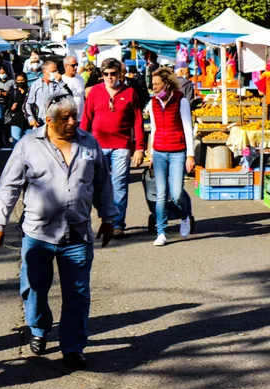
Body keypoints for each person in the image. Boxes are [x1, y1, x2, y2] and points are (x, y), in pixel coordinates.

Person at [0, 94, 117, 370]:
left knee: (78, 294)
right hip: (38, 234)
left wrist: (109, 217)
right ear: (48, 120)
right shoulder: (28, 145)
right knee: (34, 288)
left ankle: (73, 347)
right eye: (65, 118)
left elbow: (103, 182)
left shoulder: (88, 143)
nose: (72, 123)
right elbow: (8, 186)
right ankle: (39, 327)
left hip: (78, 234)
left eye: (75, 117)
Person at [79, 58, 145, 238]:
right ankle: (101, 218)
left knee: (119, 185)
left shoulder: (130, 92)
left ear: (119, 74)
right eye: (106, 74)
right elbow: (86, 119)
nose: (109, 77)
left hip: (121, 147)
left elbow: (138, 122)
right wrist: (80, 143)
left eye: (113, 74)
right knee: (94, 184)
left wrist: (139, 147)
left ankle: (117, 224)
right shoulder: (94, 92)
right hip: (96, 145)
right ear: (102, 75)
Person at [147, 67, 195, 246]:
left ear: (166, 84)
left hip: (177, 152)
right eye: (152, 85)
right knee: (161, 194)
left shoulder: (180, 101)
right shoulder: (152, 103)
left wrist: (190, 155)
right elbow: (154, 128)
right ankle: (161, 232)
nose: (154, 88)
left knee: (176, 194)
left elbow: (188, 128)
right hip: (159, 151)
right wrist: (151, 154)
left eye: (157, 84)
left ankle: (184, 217)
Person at [25, 60, 73, 129]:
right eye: (52, 71)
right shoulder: (35, 85)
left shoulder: (58, 85)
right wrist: (31, 118)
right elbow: (27, 104)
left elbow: (69, 97)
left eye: (56, 71)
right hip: (41, 123)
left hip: (56, 124)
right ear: (44, 72)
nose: (55, 73)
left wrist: (61, 82)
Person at [0, 64, 16, 149]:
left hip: (8, 104)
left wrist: (8, 93)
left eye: (3, 72)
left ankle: (7, 140)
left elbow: (14, 92)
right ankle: (0, 142)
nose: (2, 74)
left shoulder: (12, 82)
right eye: (0, 73)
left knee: (7, 123)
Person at [62, 56, 86, 123]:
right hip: (69, 120)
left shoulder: (80, 78)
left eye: (76, 65)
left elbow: (83, 96)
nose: (76, 67)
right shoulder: (61, 80)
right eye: (73, 65)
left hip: (81, 118)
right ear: (65, 66)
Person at [7, 73, 29, 146]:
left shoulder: (30, 91)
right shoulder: (14, 92)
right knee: (16, 142)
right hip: (16, 119)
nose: (20, 82)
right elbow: (9, 105)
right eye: (18, 80)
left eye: (22, 80)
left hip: (28, 120)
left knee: (29, 143)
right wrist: (12, 107)